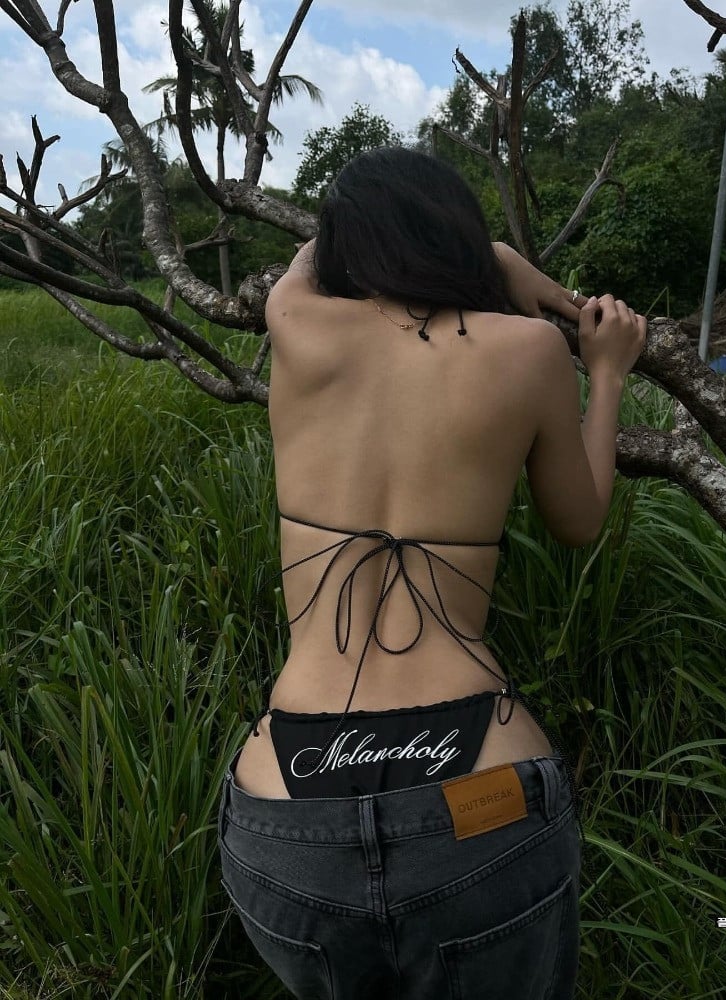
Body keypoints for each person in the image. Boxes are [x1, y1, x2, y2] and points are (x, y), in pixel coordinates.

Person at [217, 146, 646, 1000]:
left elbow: (312, 254)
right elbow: (579, 519)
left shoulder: (294, 319)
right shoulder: (529, 349)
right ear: (461, 235)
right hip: (477, 794)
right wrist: (604, 372)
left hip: (288, 809)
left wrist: (485, 255)